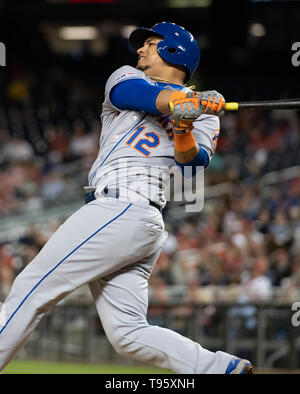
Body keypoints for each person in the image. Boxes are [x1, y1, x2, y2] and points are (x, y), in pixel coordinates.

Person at [0, 22, 253, 374]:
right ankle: (220, 368)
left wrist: (184, 126)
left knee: (30, 288)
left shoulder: (205, 117)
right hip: (124, 218)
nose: (141, 50)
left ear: (174, 51)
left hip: (127, 209)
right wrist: (184, 103)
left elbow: (192, 164)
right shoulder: (126, 78)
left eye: (151, 43)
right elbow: (144, 97)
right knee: (128, 334)